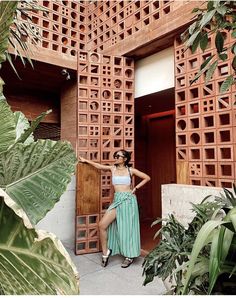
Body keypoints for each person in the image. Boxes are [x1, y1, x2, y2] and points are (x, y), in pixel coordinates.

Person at [78, 150, 150, 268]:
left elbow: (147, 178)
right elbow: (99, 166)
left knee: (128, 229)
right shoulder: (113, 169)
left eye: (118, 156)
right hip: (117, 201)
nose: (115, 157)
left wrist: (135, 188)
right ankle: (105, 253)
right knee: (102, 225)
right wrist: (86, 161)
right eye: (115, 155)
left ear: (125, 159)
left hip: (128, 201)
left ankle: (129, 256)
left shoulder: (130, 170)